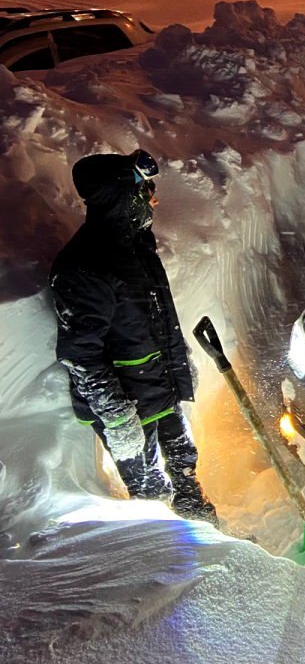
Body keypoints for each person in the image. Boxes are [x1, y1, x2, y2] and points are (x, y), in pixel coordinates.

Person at [49, 149, 217, 524]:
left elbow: (156, 316)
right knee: (153, 495)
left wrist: (179, 364)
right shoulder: (84, 266)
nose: (152, 198)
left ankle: (209, 534)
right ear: (121, 194)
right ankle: (180, 564)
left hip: (160, 389)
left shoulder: (135, 246)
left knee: (184, 468)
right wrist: (116, 416)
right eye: (144, 190)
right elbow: (80, 354)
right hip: (130, 407)